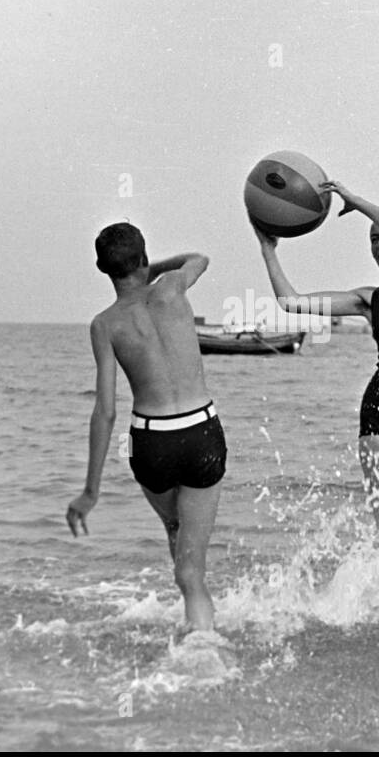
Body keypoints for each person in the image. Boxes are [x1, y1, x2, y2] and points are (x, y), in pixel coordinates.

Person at [254, 180, 379, 607]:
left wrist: (358, 202)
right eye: (373, 239)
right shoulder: (369, 300)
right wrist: (268, 248)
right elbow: (291, 304)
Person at [66, 222, 227, 634]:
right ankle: (201, 635)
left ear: (102, 268)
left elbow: (105, 412)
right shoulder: (173, 286)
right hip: (200, 434)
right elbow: (200, 259)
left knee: (176, 531)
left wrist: (90, 491)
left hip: (152, 444)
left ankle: (191, 607)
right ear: (144, 258)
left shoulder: (104, 325)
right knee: (192, 569)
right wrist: (150, 267)